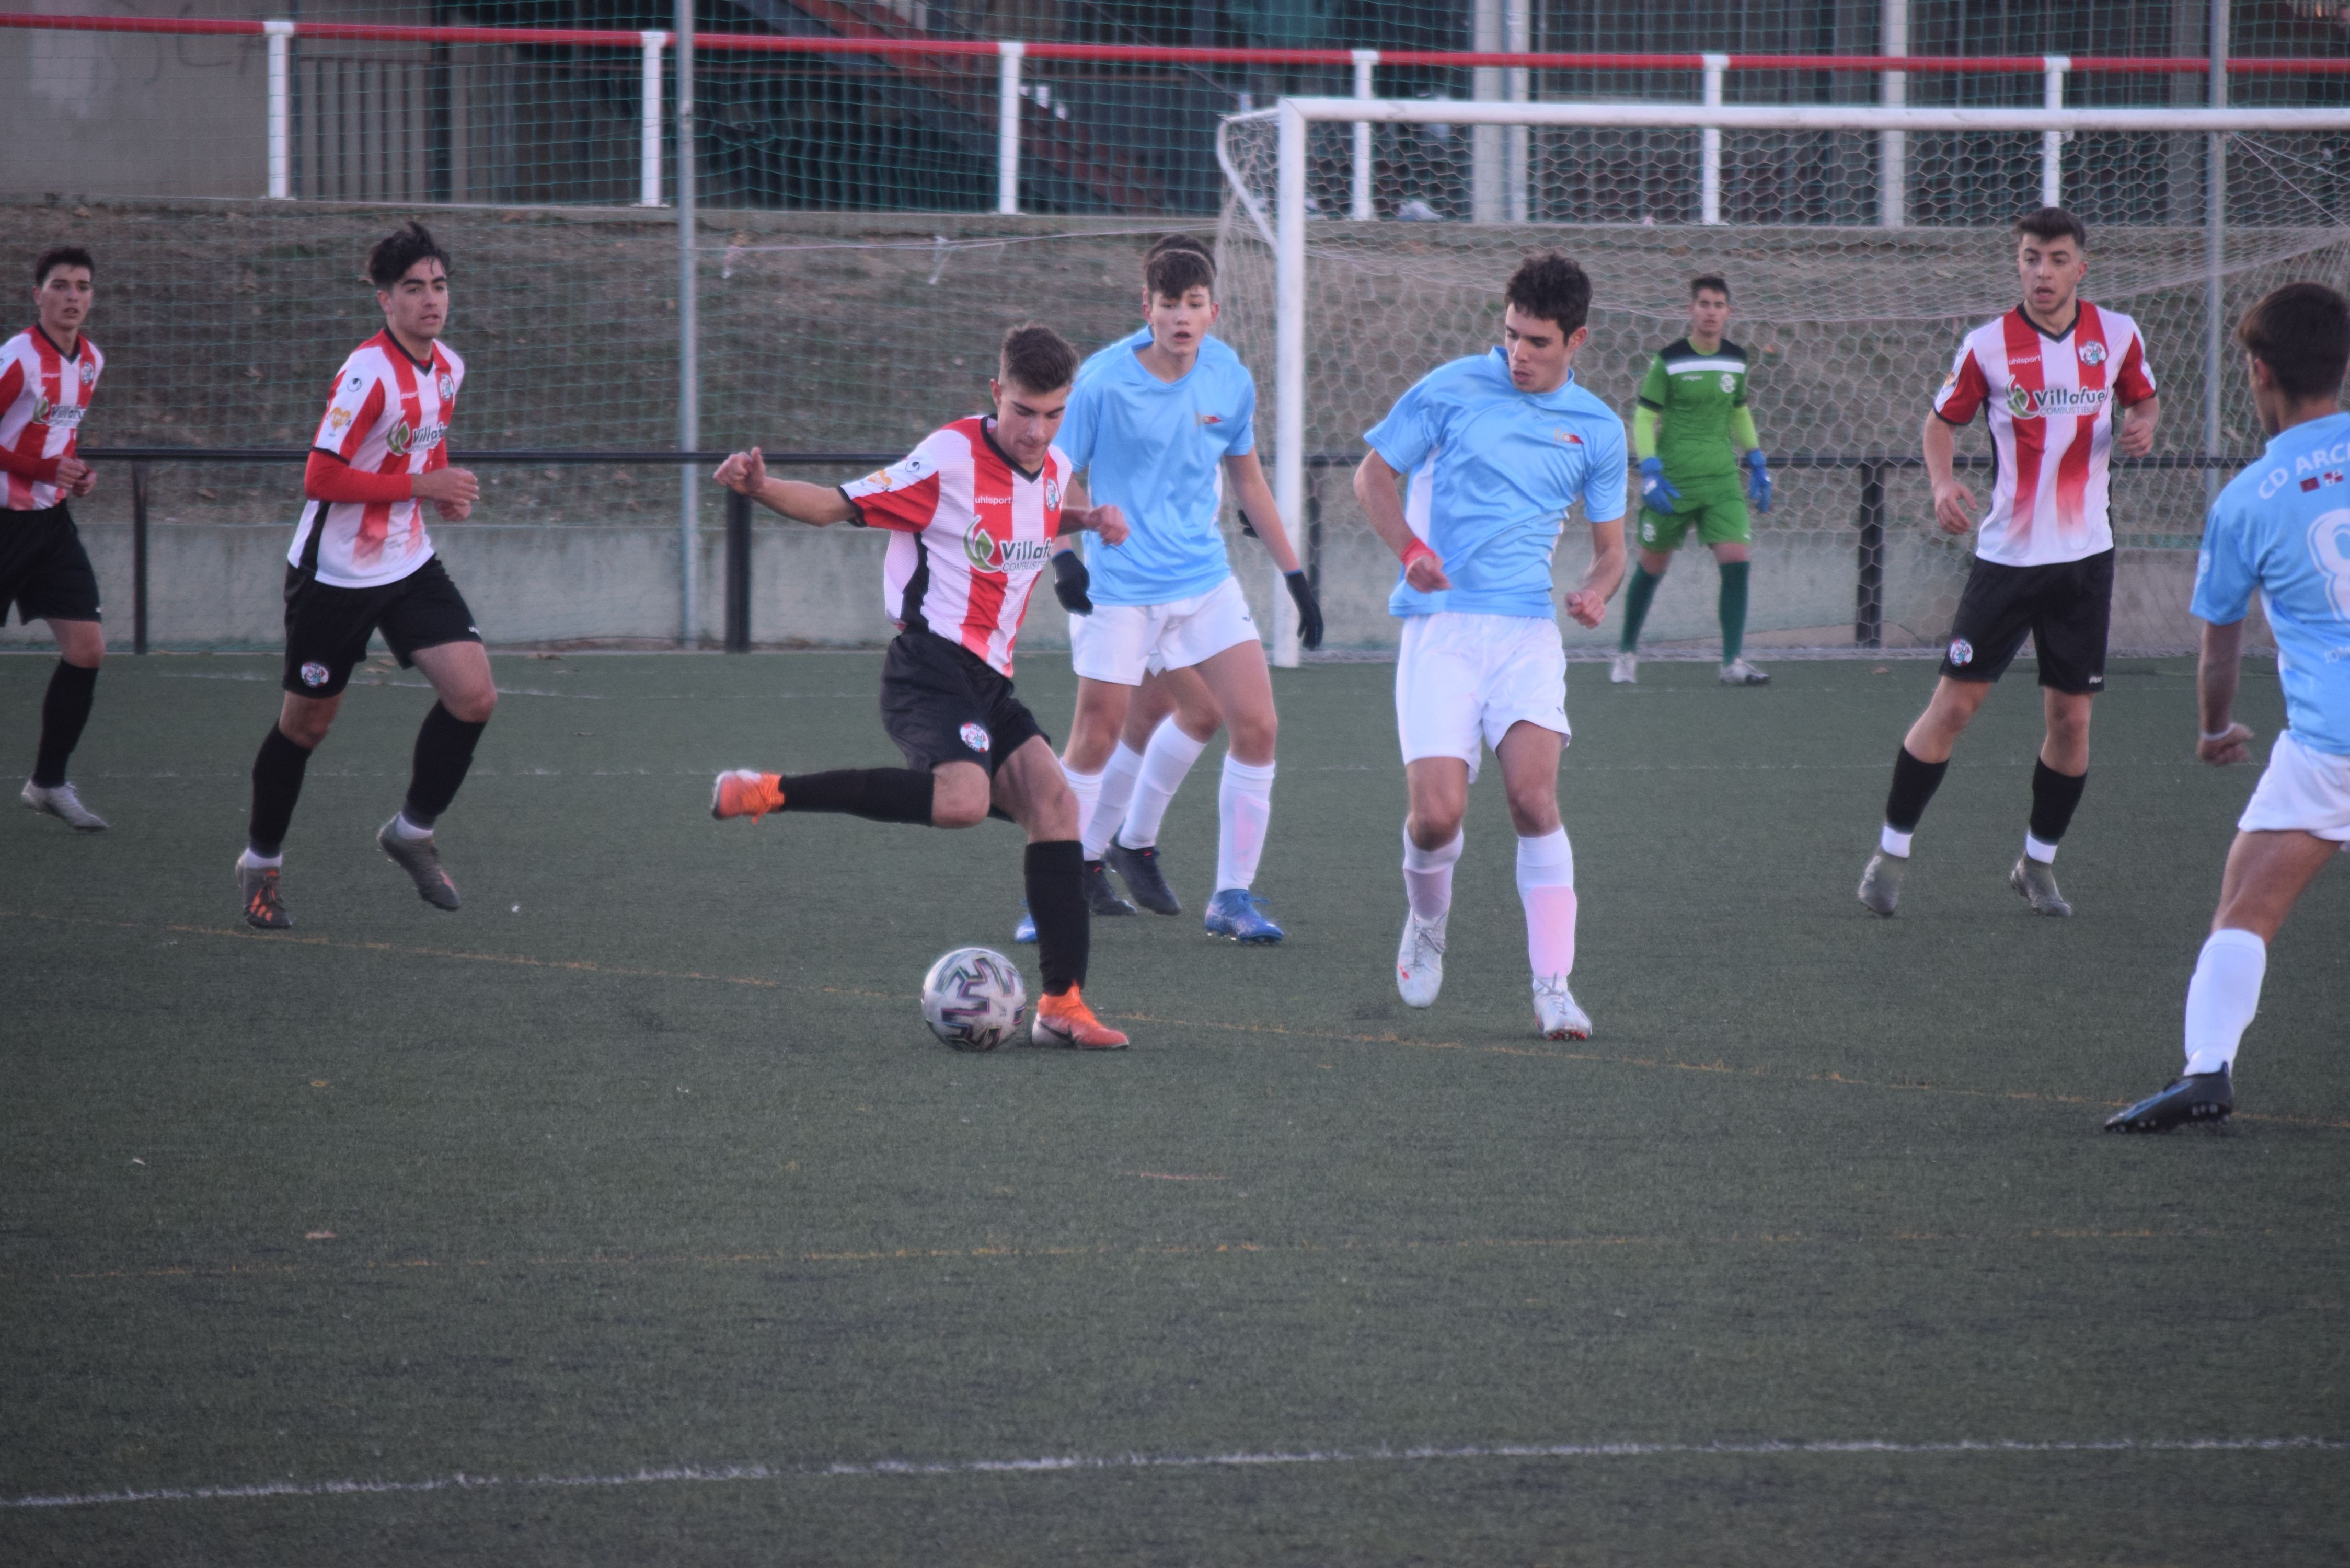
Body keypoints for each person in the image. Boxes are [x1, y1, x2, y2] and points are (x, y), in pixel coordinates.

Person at [707, 323, 1134, 1050]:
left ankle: (1062, 1005)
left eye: (1055, 414)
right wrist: (760, 487)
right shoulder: (947, 459)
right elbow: (838, 504)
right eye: (1024, 411)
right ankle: (770, 790)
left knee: (1059, 804)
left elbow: (1034, 509)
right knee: (963, 803)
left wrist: (1088, 517)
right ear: (996, 393)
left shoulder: (1055, 465)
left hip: (991, 680)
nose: (1038, 432)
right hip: (929, 665)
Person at [1352, 252, 1628, 1040]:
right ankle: (1428, 921)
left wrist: (1595, 592)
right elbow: (1371, 478)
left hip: (1525, 636)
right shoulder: (1447, 389)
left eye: (1538, 342)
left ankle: (1553, 989)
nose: (1519, 353)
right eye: (1510, 335)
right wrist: (1410, 551)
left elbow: (1612, 551)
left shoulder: (1599, 430)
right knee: (1436, 819)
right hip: (1442, 631)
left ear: (1577, 340)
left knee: (1533, 801)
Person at [1858, 207, 2160, 919]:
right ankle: (1891, 853)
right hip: (2008, 561)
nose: (2043, 272)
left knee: (2072, 722)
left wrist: (2144, 423)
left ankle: (2038, 865)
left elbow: (2143, 400)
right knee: (1955, 705)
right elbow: (1940, 423)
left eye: (2057, 259)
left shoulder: (2118, 335)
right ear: (2017, 264)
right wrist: (1940, 482)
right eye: (2031, 258)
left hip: (2086, 560)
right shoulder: (1988, 347)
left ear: (2080, 267)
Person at [1031, 234, 1323, 946]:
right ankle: (1054, 890)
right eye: (1169, 305)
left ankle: (1231, 897)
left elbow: (1248, 480)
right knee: (1096, 736)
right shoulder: (1102, 382)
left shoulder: (1229, 379)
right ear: (1148, 309)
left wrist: (1294, 574)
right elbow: (1055, 473)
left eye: (1195, 305)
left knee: (1254, 723)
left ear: (1214, 310)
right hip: (1121, 588)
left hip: (1203, 582)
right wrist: (1064, 558)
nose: (1182, 318)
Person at [2106, 282, 2350, 1132]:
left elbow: (2218, 648)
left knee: (2246, 906)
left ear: (2257, 373)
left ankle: (2206, 1070)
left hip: (2331, 749)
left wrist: (2214, 730)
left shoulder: (2247, 498)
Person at [236, 222, 492, 930]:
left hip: (408, 563)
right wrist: (420, 483)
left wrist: (438, 492)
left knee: (474, 696)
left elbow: (409, 462)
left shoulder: (449, 368)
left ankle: (411, 833)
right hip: (335, 576)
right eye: (413, 288)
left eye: (439, 285)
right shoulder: (366, 372)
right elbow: (319, 476)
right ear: (386, 301)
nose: (430, 300)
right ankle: (261, 865)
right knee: (306, 727)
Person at [1610, 274, 1773, 686]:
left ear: (1728, 312)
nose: (1711, 312)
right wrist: (1649, 471)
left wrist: (1756, 461)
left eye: (1718, 305)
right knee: (1652, 565)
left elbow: (1738, 409)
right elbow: (1646, 416)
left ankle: (1732, 662)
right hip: (1674, 481)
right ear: (1691, 310)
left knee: (1737, 560)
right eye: (1703, 304)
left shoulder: (1737, 359)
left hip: (1721, 480)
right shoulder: (1668, 360)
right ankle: (1626, 652)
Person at [4, 246, 109, 831]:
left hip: (50, 526)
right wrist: (43, 470)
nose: (73, 296)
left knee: (87, 650)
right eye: (61, 285)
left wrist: (76, 471)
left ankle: (47, 783)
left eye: (83, 286)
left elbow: (56, 441)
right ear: (37, 294)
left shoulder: (91, 360)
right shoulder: (17, 358)